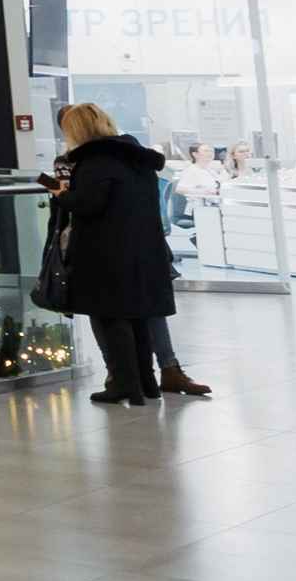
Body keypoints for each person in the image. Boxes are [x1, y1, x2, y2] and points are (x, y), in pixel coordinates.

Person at [50, 103, 209, 402]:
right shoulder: (137, 158)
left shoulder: (94, 162)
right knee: (139, 316)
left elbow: (88, 204)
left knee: (110, 317)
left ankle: (124, 382)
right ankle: (147, 381)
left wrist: (59, 193)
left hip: (106, 253)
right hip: (144, 248)